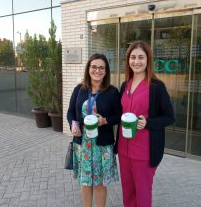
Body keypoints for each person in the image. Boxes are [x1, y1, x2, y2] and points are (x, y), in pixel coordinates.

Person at [115, 40, 175, 207]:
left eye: (141, 57)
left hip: (144, 151)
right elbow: (118, 113)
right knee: (127, 191)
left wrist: (148, 123)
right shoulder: (124, 85)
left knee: (142, 193)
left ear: (148, 60)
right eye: (133, 57)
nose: (136, 61)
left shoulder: (157, 87)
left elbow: (169, 117)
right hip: (124, 149)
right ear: (128, 60)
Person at [67, 53, 121, 207]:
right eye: (94, 67)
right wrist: (73, 124)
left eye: (101, 68)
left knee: (100, 184)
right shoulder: (79, 89)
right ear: (88, 69)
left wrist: (105, 120)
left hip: (102, 145)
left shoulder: (112, 92)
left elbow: (119, 116)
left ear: (106, 71)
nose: (97, 70)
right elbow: (71, 112)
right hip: (82, 144)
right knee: (85, 182)